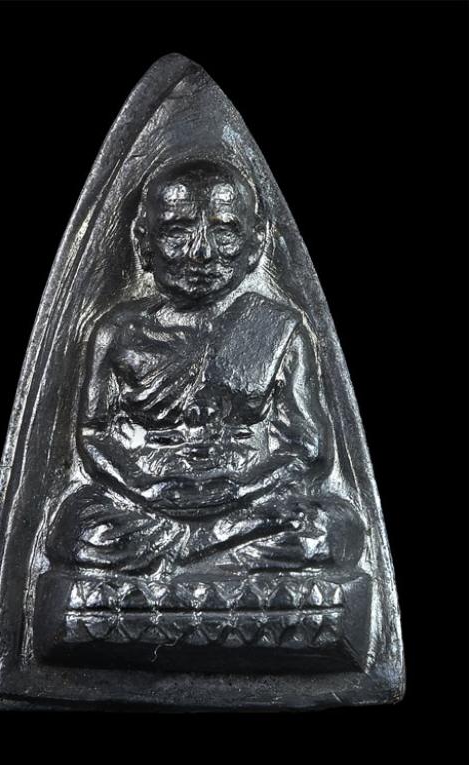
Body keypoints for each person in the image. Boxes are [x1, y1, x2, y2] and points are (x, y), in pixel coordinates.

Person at [47, 159, 364, 577]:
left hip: (249, 500)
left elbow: (307, 447)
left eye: (224, 232)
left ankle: (187, 553)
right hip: (146, 504)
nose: (201, 252)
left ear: (256, 242)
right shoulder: (118, 331)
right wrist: (144, 487)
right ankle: (213, 553)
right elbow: (95, 434)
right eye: (177, 232)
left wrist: (242, 487)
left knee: (329, 528)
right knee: (78, 528)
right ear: (144, 241)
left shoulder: (278, 328)